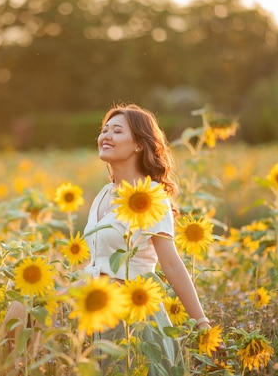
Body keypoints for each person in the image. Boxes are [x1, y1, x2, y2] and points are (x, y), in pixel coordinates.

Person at [83, 103, 211, 375]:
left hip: (133, 316)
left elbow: (171, 263)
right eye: (104, 129)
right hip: (99, 313)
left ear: (139, 144)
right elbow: (97, 262)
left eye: (117, 131)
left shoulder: (150, 198)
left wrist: (201, 323)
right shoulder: (104, 194)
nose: (106, 135)